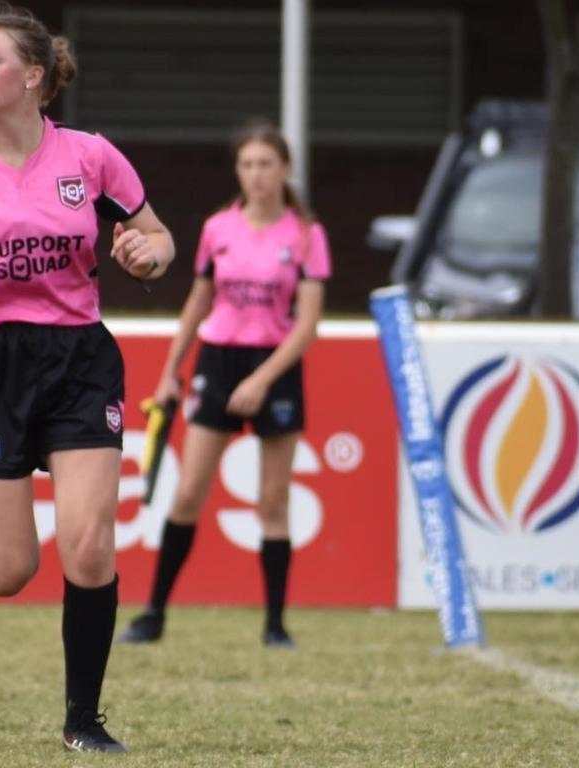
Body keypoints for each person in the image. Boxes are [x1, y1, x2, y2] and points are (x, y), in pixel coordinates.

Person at [0, 0, 174, 752]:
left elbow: (157, 233)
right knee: (11, 568)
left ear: (33, 74)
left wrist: (149, 253)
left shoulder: (91, 156)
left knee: (89, 546)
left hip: (78, 359)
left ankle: (82, 722)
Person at [116, 119, 330, 649]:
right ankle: (154, 615)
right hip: (219, 360)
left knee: (273, 500)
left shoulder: (306, 235)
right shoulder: (219, 228)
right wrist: (170, 372)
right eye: (247, 164)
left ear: (285, 169)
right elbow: (198, 301)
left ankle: (276, 624)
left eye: (265, 164)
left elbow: (306, 325)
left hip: (274, 368)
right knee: (188, 493)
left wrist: (261, 379)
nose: (256, 175)